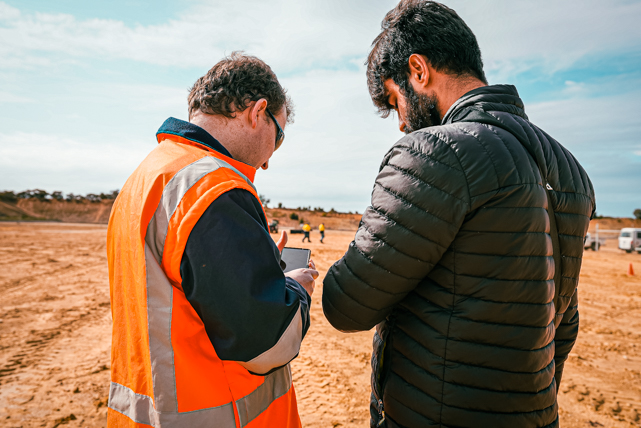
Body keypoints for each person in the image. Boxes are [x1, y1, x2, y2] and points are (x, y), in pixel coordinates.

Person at [322, 2, 595, 427]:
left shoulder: (433, 152)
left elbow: (346, 304)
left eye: (395, 102)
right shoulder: (571, 170)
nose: (400, 123)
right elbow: (563, 322)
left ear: (418, 71)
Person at [107, 52, 318, 428]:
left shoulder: (148, 176)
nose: (269, 161)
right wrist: (295, 288)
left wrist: (256, 262)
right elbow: (268, 343)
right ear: (258, 112)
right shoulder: (214, 188)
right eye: (278, 137)